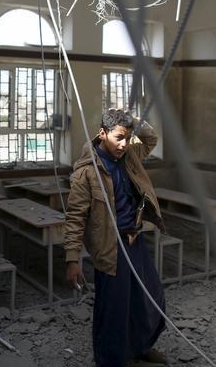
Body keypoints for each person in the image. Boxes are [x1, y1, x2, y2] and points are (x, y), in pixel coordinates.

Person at [64, 108, 167, 366]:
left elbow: (151, 139)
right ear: (102, 134)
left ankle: (140, 347)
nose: (123, 144)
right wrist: (72, 259)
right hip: (110, 247)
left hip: (134, 240)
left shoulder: (130, 155)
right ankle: (111, 361)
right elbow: (75, 217)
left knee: (148, 297)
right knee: (113, 309)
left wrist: (132, 120)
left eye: (127, 138)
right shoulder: (86, 172)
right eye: (119, 137)